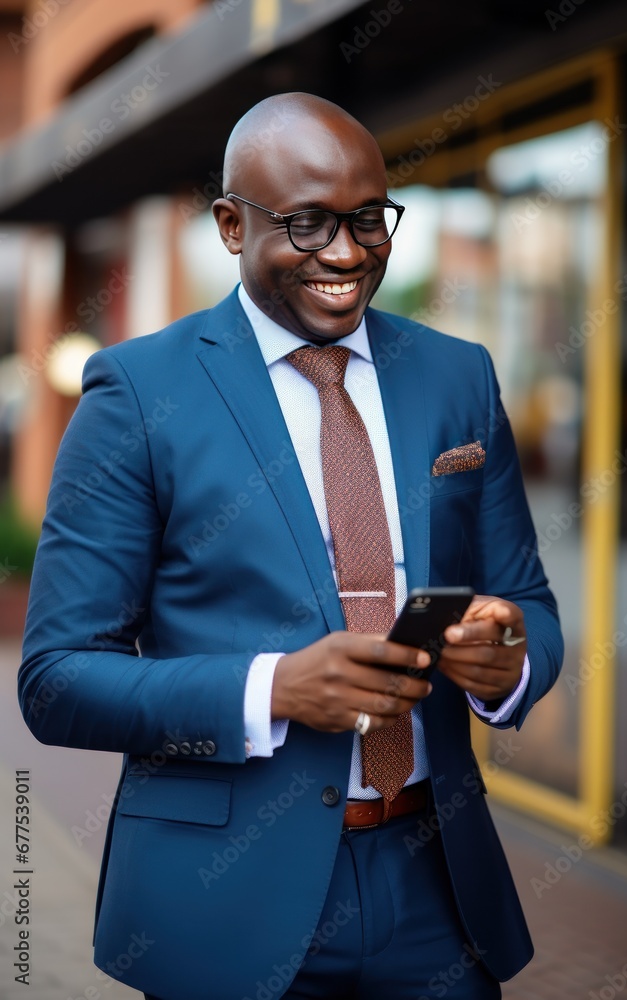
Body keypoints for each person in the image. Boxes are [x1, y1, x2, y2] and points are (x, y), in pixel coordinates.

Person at [19, 92, 563, 1000]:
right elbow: (57, 680)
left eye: (366, 220)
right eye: (306, 224)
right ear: (232, 225)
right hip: (224, 897)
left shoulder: (456, 376)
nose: (345, 253)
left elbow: (530, 610)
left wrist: (505, 660)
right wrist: (273, 687)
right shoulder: (136, 393)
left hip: (435, 884)